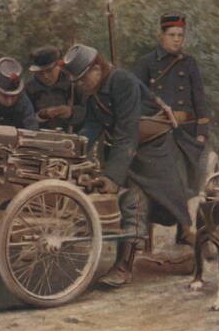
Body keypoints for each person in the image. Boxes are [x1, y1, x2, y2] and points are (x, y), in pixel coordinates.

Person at [63, 44, 193, 287]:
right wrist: (74, 150)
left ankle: (124, 266)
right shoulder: (93, 90)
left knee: (139, 198)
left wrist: (112, 177)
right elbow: (92, 126)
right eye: (76, 81)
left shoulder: (123, 82)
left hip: (151, 147)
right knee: (131, 199)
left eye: (82, 79)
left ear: (96, 68)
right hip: (125, 146)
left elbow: (127, 131)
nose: (80, 85)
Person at [133, 14, 210, 250]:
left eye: (180, 36)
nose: (177, 40)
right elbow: (137, 96)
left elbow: (199, 98)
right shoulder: (146, 63)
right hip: (157, 133)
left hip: (185, 134)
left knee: (186, 182)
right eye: (172, 35)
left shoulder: (189, 63)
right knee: (161, 179)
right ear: (161, 36)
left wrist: (201, 132)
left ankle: (182, 232)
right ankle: (149, 235)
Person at [25, 46, 85, 132]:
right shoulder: (28, 88)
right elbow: (23, 118)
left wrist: (71, 112)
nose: (45, 76)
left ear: (59, 65)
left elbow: (90, 113)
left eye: (49, 71)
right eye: (40, 72)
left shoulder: (74, 83)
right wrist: (40, 116)